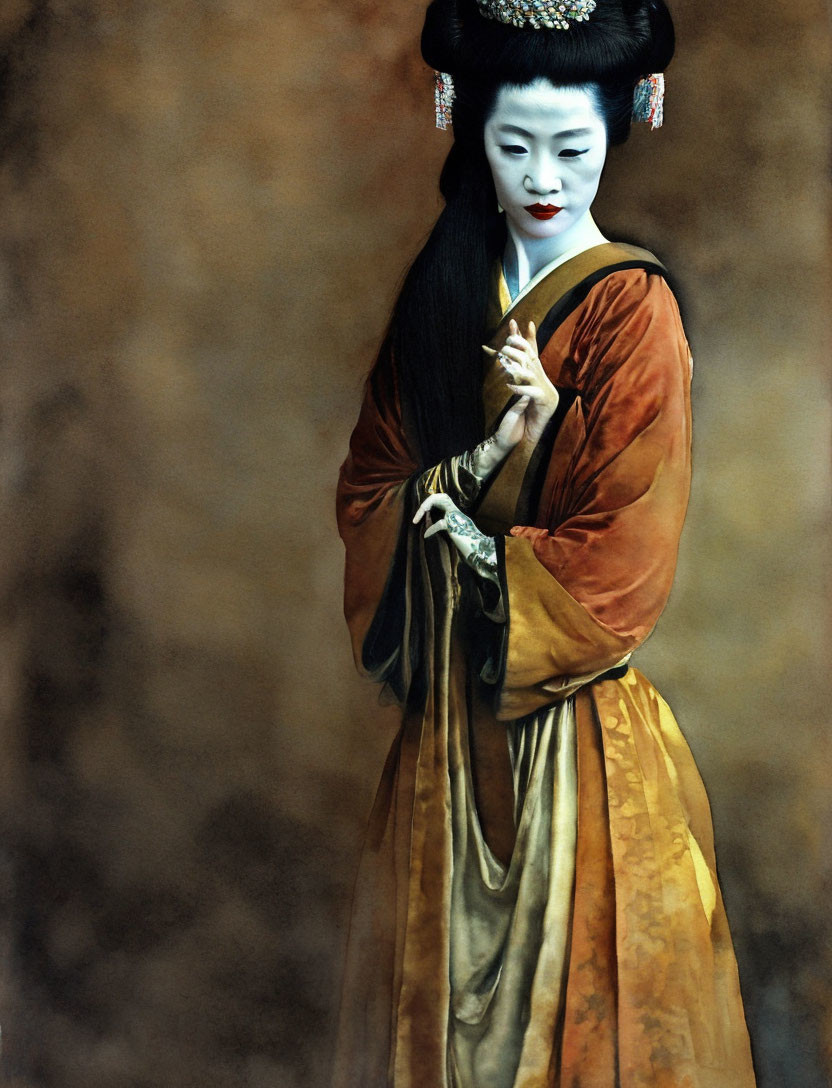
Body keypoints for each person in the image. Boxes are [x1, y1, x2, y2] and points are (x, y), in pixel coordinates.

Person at [334, 0, 757, 1084]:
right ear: (463, 120)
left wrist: (482, 546)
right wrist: (489, 455)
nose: (542, 176)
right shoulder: (441, 297)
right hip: (443, 743)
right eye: (512, 143)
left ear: (631, 115)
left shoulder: (629, 310)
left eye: (571, 146)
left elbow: (621, 555)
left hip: (574, 757)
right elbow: (371, 492)